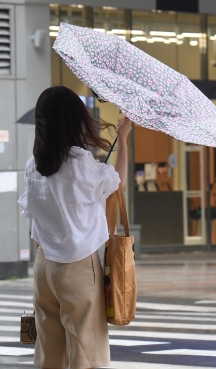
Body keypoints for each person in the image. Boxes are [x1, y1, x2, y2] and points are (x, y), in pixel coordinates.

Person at [17, 86, 132, 369]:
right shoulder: (79, 162)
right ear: (74, 120)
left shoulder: (34, 165)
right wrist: (124, 141)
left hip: (44, 267)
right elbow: (116, 183)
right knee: (86, 353)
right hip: (77, 266)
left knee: (50, 354)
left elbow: (33, 220)